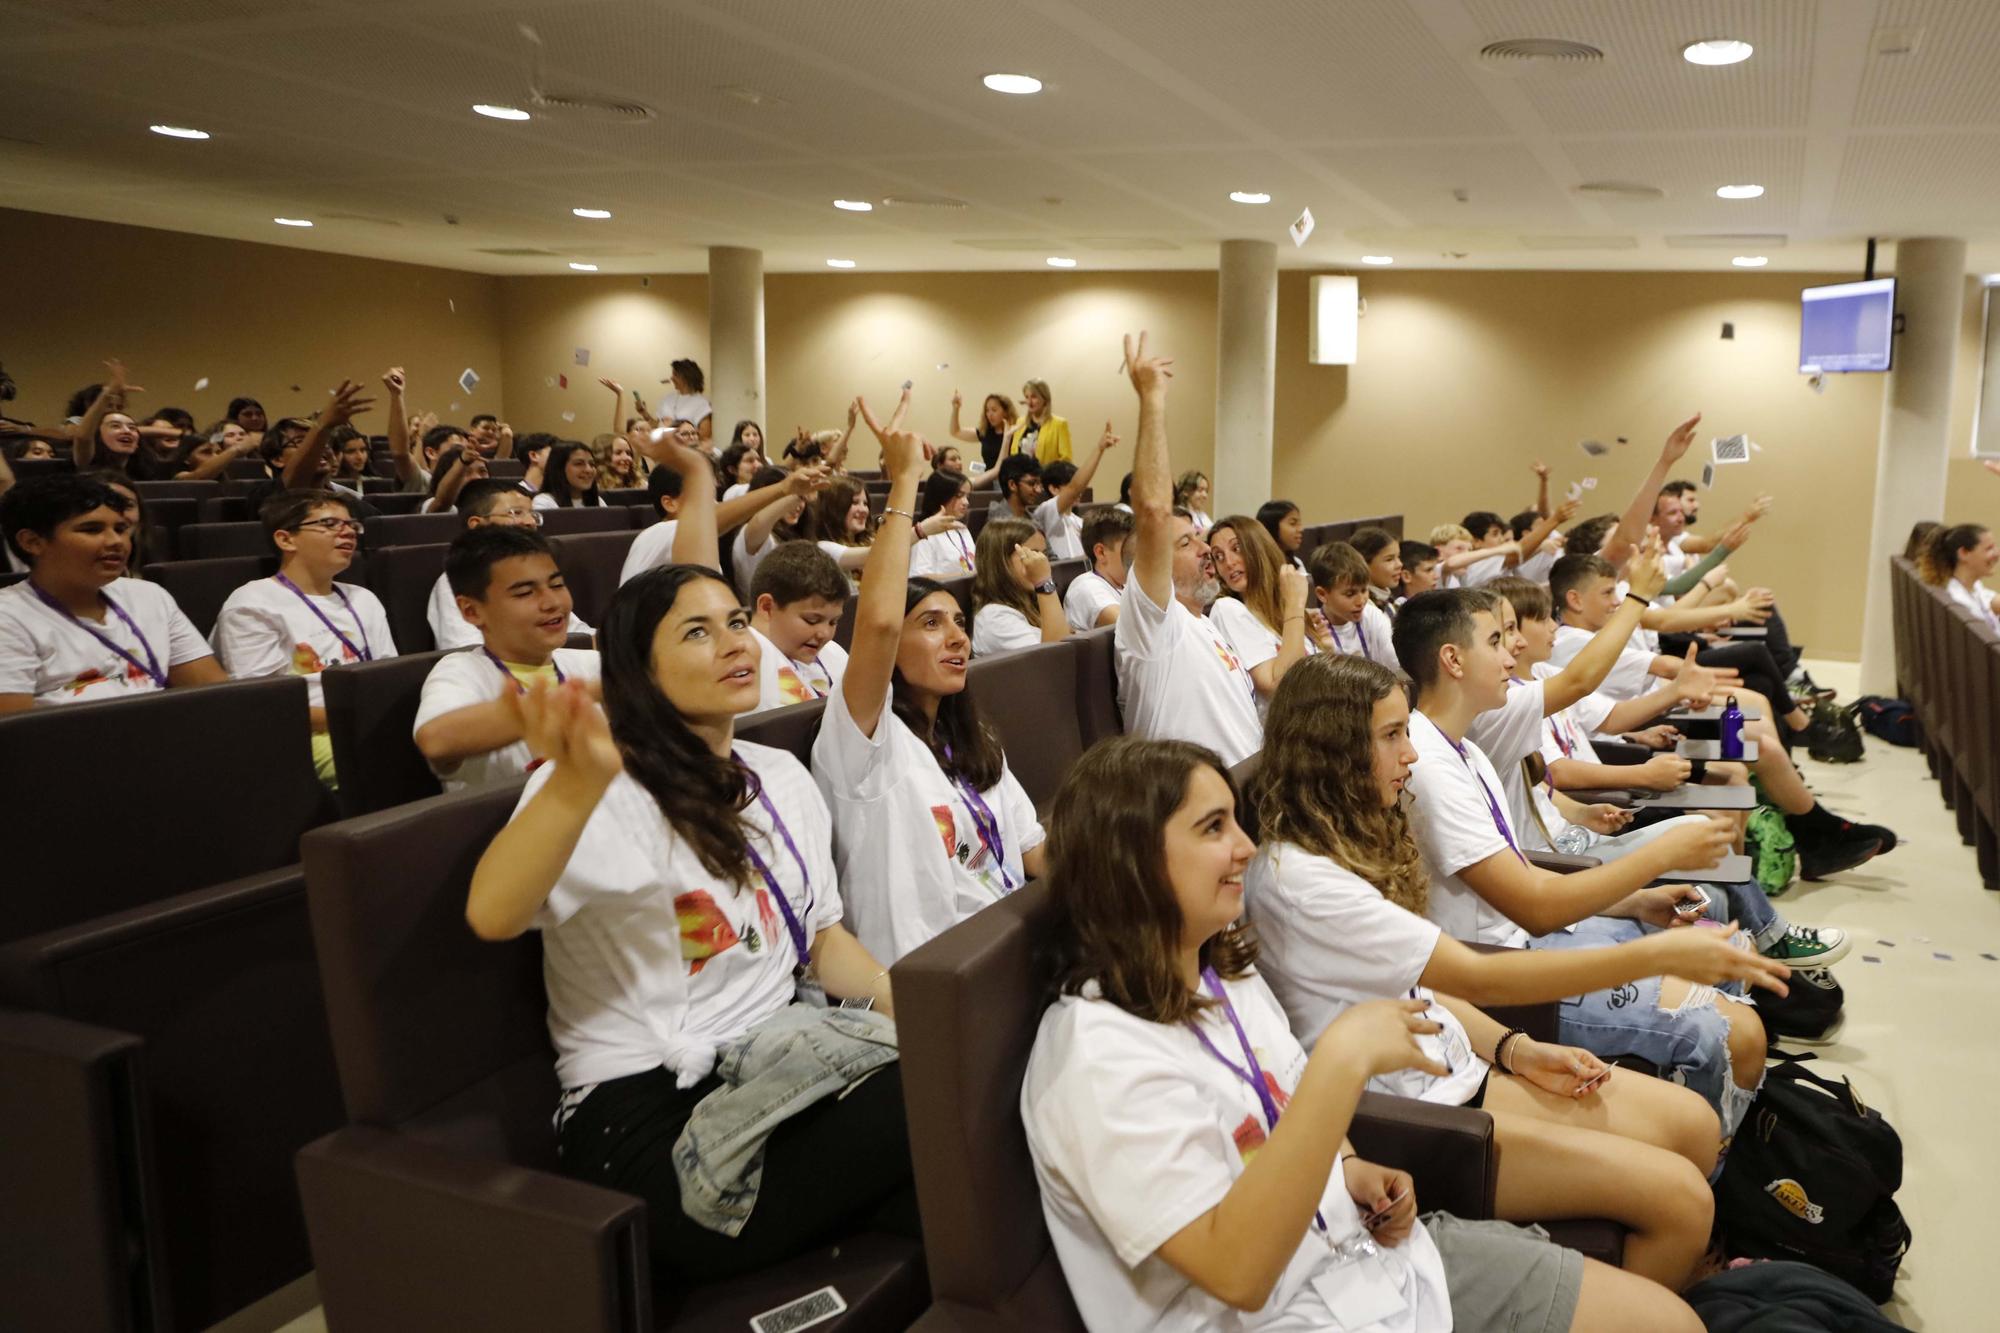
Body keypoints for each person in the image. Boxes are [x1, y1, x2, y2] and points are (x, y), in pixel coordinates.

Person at [1023, 736, 1705, 1333]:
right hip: (1281, 1310)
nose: (1245, 847)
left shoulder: (1217, 971)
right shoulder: (1095, 1058)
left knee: (1671, 1317)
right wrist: (1344, 1059)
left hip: (1363, 1257)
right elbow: (1237, 1272)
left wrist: (1349, 1167)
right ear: (1129, 859)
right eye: (1212, 827)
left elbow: (1283, 1110)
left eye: (1237, 820)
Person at [465, 436, 908, 1288]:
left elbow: (826, 943)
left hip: (784, 1058)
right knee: (939, 1104)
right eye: (698, 633)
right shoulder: (593, 784)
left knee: (962, 1089)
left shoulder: (776, 774)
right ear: (640, 665)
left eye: (737, 622)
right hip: (648, 1120)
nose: (736, 644)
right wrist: (577, 782)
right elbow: (493, 911)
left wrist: (921, 1012)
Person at [1247, 654, 1791, 1288]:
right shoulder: (1302, 881)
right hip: (1423, 1116)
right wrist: (1661, 947)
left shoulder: (1350, 839)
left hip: (1460, 1065)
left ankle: (1690, 1275)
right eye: (1391, 736)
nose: (1410, 755)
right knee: (1682, 1199)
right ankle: (1667, 1294)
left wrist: (1515, 1048)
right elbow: (1481, 977)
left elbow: (1427, 990)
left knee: (1694, 1127)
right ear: (1333, 751)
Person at [1391, 588, 1780, 1137]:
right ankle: (1714, 1170)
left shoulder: (1465, 748)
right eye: (1496, 642)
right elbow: (1534, 909)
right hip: (1504, 967)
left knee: (1729, 951)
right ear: (1452, 660)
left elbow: (1518, 865)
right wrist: (1659, 858)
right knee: (1730, 1030)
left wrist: (1636, 900)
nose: (1512, 655)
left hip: (1530, 940)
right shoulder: (1429, 763)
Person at [1469, 574, 1848, 972]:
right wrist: (1643, 775)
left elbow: (1543, 779)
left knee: (1713, 824)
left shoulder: (1537, 678)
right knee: (1705, 837)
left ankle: (1760, 938)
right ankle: (1766, 940)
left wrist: (1584, 811)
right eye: (1501, 635)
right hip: (1569, 847)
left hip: (1586, 819)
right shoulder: (1504, 702)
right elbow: (1561, 760)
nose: (1549, 629)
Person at [812, 389, 1048, 966]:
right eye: (933, 624)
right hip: (922, 983)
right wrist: (904, 483)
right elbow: (880, 620)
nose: (959, 639)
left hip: (1004, 950)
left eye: (960, 624)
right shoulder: (865, 742)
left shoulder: (974, 741)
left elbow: (1035, 851)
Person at [1549, 553, 1892, 877]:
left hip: (1642, 729)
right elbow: (1655, 668)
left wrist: (1682, 688)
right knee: (1753, 737)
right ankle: (1811, 829)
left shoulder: (1592, 635)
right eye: (1608, 593)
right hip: (1630, 750)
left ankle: (1800, 828)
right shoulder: (1572, 642)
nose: (1616, 601)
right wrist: (1680, 688)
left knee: (1753, 708)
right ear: (1576, 600)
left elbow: (1614, 708)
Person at [1112, 333, 1262, 766]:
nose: (1206, 548)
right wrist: (1152, 399)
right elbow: (1155, 511)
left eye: (1199, 536)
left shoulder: (1207, 621)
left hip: (1243, 796)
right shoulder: (1154, 621)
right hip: (1185, 810)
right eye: (1187, 542)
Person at [211, 490, 399, 785]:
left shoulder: (364, 599)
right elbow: (264, 705)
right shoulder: (253, 603)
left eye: (351, 524)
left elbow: (388, 673)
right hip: (304, 733)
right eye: (329, 524)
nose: (348, 531)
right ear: (286, 539)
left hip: (367, 720)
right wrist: (356, 717)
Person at [0, 474, 224, 711]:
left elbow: (214, 695)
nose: (116, 541)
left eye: (120, 529)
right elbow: (15, 736)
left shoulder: (149, 596)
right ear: (32, 542)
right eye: (92, 529)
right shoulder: (9, 617)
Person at [414, 527, 603, 794]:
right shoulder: (462, 671)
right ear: (471, 611)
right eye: (525, 593)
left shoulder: (592, 664)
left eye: (557, 585)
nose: (551, 602)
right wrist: (584, 695)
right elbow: (436, 740)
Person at [428, 480, 592, 650]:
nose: (530, 521)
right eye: (516, 513)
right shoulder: (459, 580)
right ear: (477, 525)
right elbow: (467, 649)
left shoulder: (538, 572)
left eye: (532, 513)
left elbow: (580, 635)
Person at [1206, 515, 1319, 716]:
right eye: (1218, 556)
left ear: (1258, 547)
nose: (1228, 563)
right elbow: (1279, 685)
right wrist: (1295, 605)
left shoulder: (1281, 612)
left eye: (1236, 548)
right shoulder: (1228, 609)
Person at [746, 542, 851, 711]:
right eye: (812, 620)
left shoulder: (833, 652)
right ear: (767, 607)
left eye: (833, 622)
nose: (824, 633)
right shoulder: (744, 665)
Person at [970, 517, 1067, 655]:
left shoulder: (1030, 600)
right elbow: (1058, 656)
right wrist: (1044, 582)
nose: (1041, 563)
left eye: (1043, 555)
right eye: (1031, 554)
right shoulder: (994, 618)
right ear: (1001, 563)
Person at [1306, 540, 1400, 669]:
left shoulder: (1373, 616)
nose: (1361, 601)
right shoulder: (1314, 630)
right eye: (1350, 594)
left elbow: (1395, 667)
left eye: (1364, 590)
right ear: (1322, 594)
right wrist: (1329, 652)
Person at [1032, 423, 1119, 560]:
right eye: (1069, 484)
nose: (1080, 491)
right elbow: (1075, 488)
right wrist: (1099, 449)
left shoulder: (1078, 521)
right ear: (1054, 489)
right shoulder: (1045, 511)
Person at [1919, 522, 2000, 631]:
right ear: (1964, 553)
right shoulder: (1961, 605)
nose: (1997, 553)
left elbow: (1989, 600)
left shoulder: (1972, 586)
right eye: (1989, 549)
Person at [1064, 507, 1133, 631]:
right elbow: (1133, 630)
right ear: (1101, 552)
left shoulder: (1127, 583)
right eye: (1130, 547)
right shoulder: (1087, 587)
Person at [909, 469, 977, 577]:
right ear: (942, 495)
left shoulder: (962, 529)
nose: (966, 502)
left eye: (967, 496)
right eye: (959, 495)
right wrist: (963, 576)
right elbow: (919, 577)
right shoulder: (925, 532)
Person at [804, 477, 875, 577]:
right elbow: (877, 555)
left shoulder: (869, 541)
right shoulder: (823, 548)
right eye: (855, 503)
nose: (864, 510)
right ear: (835, 508)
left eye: (865, 503)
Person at [1006, 377, 1070, 464]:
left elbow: (1066, 459)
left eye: (1034, 397)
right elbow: (1014, 453)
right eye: (1027, 397)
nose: (1029, 402)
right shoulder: (1020, 422)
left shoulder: (1059, 424)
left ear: (1045, 399)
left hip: (1046, 475)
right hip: (1020, 475)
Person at [948, 389, 1015, 472]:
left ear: (1006, 412)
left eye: (994, 410)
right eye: (987, 410)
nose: (989, 414)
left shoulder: (1016, 432)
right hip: (990, 479)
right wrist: (956, 409)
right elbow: (955, 432)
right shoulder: (986, 432)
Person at [531, 441, 605, 510]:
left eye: (592, 464)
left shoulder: (599, 502)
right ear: (559, 468)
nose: (589, 470)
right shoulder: (544, 502)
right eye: (579, 464)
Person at [653, 357, 713, 441]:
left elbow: (705, 435)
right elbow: (656, 425)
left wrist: (674, 427)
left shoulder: (702, 403)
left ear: (686, 377)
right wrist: (644, 414)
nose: (672, 378)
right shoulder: (667, 399)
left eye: (675, 375)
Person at [1348, 526, 1403, 616]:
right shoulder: (1365, 610)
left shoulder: (1391, 602)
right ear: (1364, 564)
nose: (1399, 564)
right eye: (1389, 559)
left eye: (1398, 557)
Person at [988, 454, 1045, 526]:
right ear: (1012, 485)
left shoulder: (1034, 520)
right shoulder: (999, 522)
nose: (1038, 490)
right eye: (1031, 483)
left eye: (1039, 484)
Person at [1256, 498, 1307, 571]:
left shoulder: (1297, 562)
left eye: (1299, 523)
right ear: (1272, 526)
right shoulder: (1258, 566)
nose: (1301, 529)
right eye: (1293, 523)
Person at [1173, 470, 1213, 534]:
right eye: (1200, 490)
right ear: (1186, 491)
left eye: (1206, 491)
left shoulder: (1203, 516)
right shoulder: (1179, 516)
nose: (1205, 495)